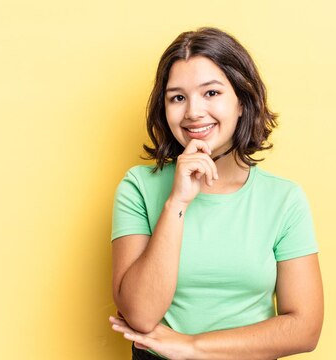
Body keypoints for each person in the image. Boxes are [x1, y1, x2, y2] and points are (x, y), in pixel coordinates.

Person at [109, 27, 323, 360]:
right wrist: (177, 201)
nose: (193, 111)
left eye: (211, 93)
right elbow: (140, 314)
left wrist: (191, 347)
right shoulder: (138, 187)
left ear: (242, 102)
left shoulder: (284, 200)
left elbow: (304, 328)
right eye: (178, 97)